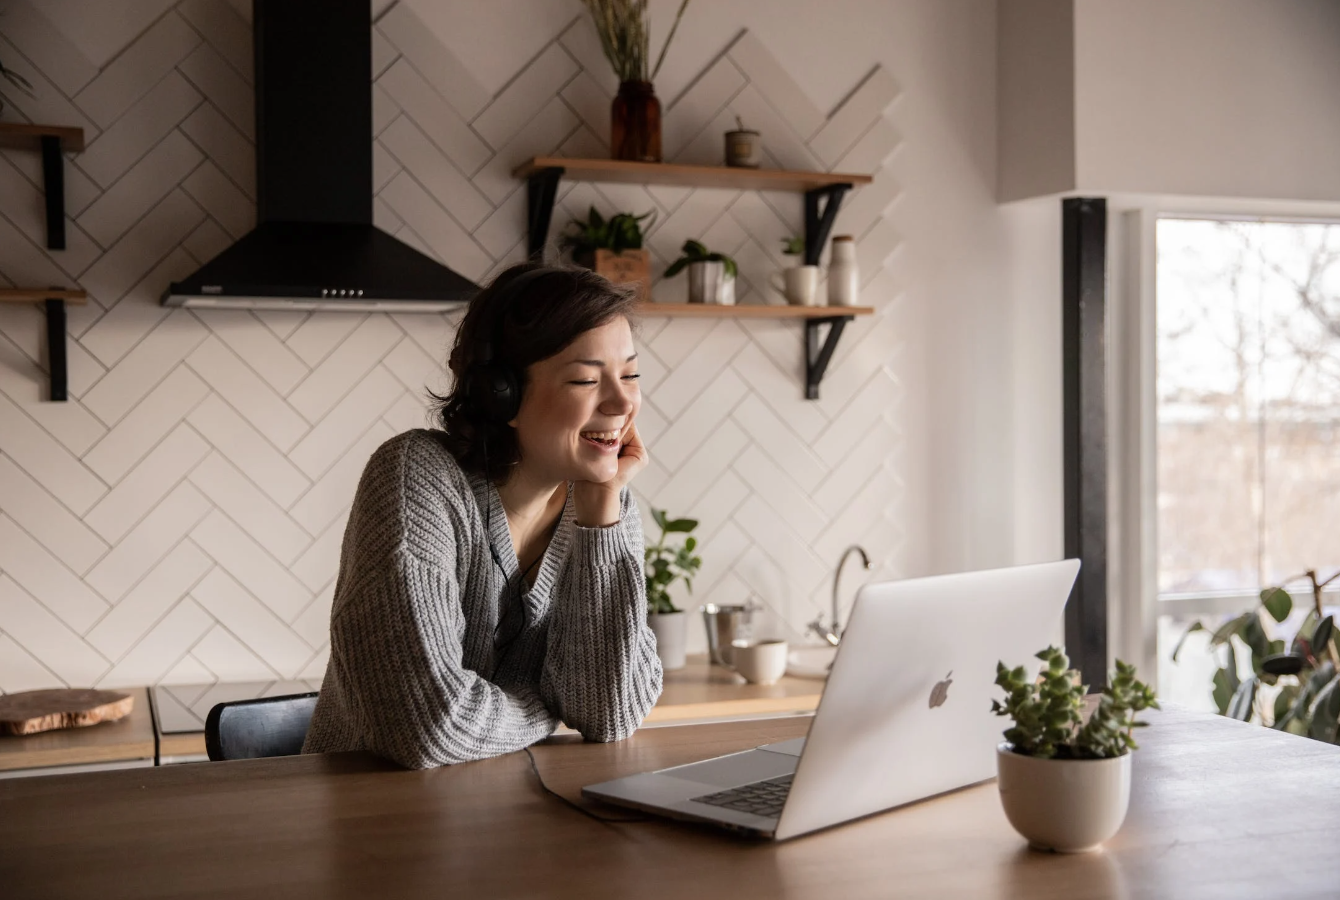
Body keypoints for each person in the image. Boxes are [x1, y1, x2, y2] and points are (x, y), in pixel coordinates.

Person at [302, 264, 663, 769]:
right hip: (373, 823)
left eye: (630, 374)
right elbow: (428, 726)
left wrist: (602, 518)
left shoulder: (605, 506)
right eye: (586, 378)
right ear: (502, 395)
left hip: (509, 821)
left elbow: (609, 714)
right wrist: (545, 705)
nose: (623, 402)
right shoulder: (416, 477)